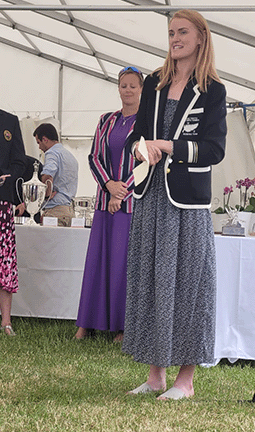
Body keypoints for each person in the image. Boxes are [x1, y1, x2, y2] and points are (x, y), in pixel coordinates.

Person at [122, 10, 227, 400]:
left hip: (186, 204)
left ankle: (186, 379)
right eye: (170, 33)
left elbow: (214, 149)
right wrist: (139, 146)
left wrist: (168, 146)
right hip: (151, 197)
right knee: (153, 283)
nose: (175, 38)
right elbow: (137, 133)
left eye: (182, 32)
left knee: (187, 286)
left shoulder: (213, 90)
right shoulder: (153, 82)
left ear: (201, 37)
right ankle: (155, 375)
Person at [74, 66, 143, 341]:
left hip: (130, 206)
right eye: (123, 85)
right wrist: (109, 187)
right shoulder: (106, 120)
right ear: (118, 88)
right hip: (104, 203)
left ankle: (122, 327)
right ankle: (86, 323)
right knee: (97, 262)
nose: (127, 90)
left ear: (141, 90)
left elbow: (146, 163)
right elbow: (94, 157)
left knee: (123, 265)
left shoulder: (147, 124)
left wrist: (121, 192)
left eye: (132, 86)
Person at [0, 108, 26, 336]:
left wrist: (8, 176)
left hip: (1, 201)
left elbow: (20, 161)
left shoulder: (9, 120)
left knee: (4, 263)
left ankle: (6, 321)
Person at [33, 123, 78, 227]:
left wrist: (46, 194)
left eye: (39, 143)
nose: (39, 147)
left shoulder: (52, 153)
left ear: (45, 139)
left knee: (49, 243)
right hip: (69, 210)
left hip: (55, 211)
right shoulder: (70, 156)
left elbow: (48, 174)